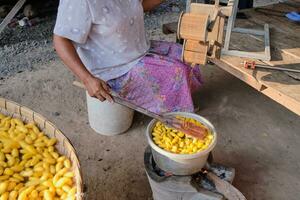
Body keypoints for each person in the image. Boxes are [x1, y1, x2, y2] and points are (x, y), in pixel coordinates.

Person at [53, 0, 202, 114]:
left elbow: (140, 5)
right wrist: (87, 79)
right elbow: (60, 40)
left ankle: (169, 100)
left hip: (139, 50)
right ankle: (174, 112)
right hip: (114, 69)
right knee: (177, 72)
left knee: (186, 54)